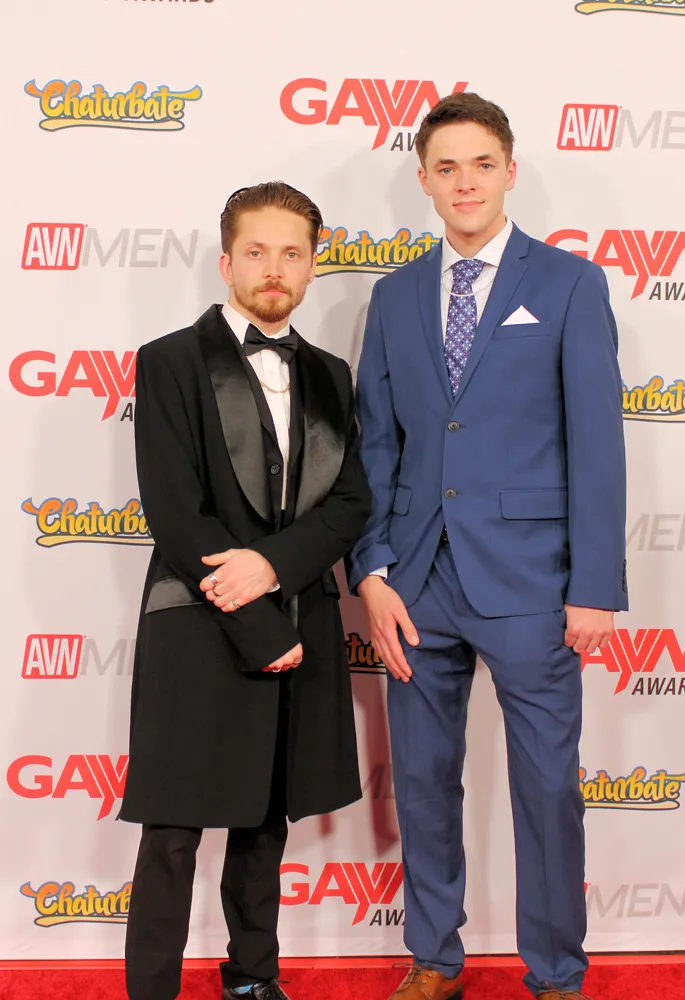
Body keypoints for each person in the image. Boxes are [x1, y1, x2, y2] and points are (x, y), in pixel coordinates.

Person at [348, 93, 627, 1000]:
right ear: (423, 181)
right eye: (445, 167)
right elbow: (375, 444)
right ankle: (434, 958)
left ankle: (555, 974)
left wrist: (594, 585)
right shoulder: (393, 296)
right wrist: (372, 569)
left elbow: (596, 442)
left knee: (546, 787)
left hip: (532, 583)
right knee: (423, 782)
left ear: (508, 171)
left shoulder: (569, 284)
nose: (463, 182)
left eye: (479, 164)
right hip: (414, 581)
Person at [119, 182, 371, 1000]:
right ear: (226, 263)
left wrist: (272, 569)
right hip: (198, 622)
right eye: (256, 251)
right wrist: (258, 621)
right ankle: (150, 991)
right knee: (172, 829)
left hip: (300, 614)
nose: (274, 268)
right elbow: (173, 509)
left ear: (312, 265)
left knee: (264, 820)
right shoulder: (168, 360)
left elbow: (349, 504)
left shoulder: (332, 374)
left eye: (291, 253)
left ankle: (253, 979)